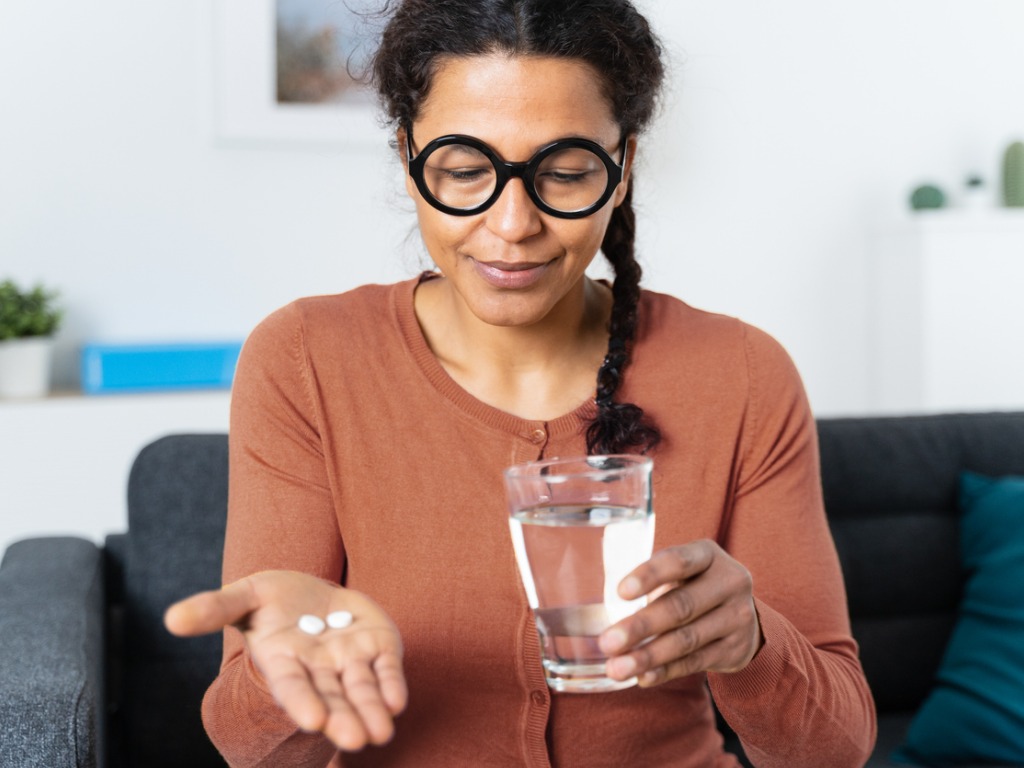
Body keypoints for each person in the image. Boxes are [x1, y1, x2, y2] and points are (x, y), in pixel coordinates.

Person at [164, 1, 877, 766]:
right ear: (409, 157)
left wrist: (754, 645)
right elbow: (250, 752)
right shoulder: (305, 358)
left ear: (623, 166)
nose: (511, 224)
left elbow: (835, 750)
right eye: (466, 170)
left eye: (565, 173)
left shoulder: (740, 372)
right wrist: (290, 672)